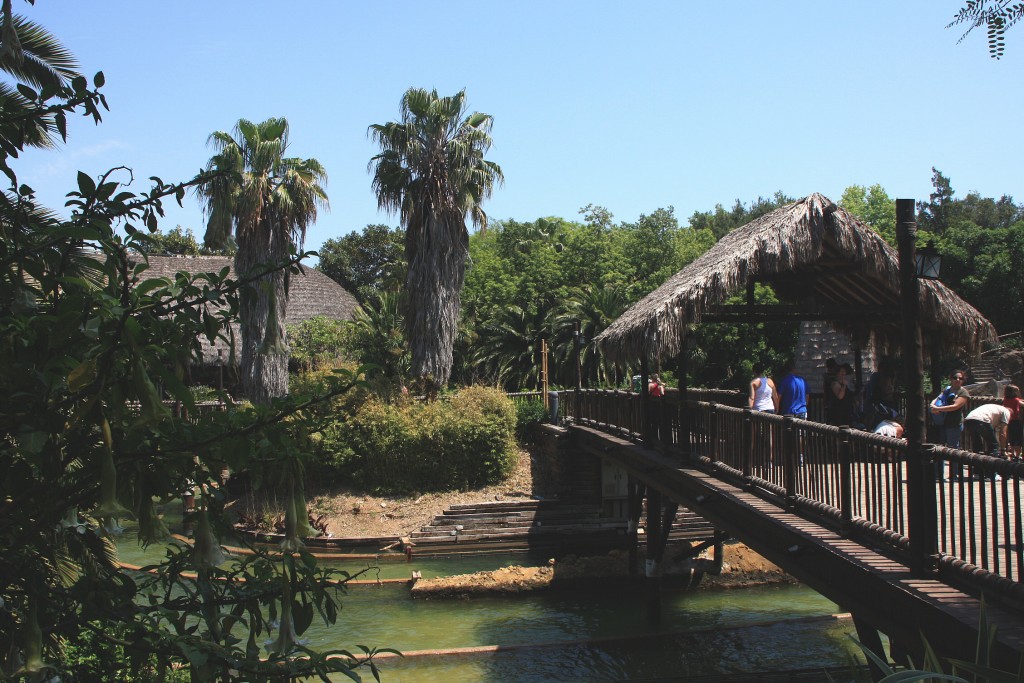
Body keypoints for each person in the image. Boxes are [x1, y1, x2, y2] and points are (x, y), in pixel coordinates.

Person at [930, 370, 970, 449]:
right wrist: (932, 405)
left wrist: (938, 409)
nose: (957, 380)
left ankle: (954, 462)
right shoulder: (947, 390)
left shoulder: (963, 392)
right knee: (939, 446)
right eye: (955, 378)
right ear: (951, 379)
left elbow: (955, 406)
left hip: (954, 423)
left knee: (952, 447)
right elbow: (938, 398)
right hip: (942, 422)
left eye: (960, 378)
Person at [1001, 384, 1024, 460]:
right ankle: (1017, 455)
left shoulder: (1005, 400)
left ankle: (1013, 454)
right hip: (1016, 421)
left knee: (1012, 438)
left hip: (1009, 421)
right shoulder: (1016, 400)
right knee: (1019, 438)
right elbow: (1022, 404)